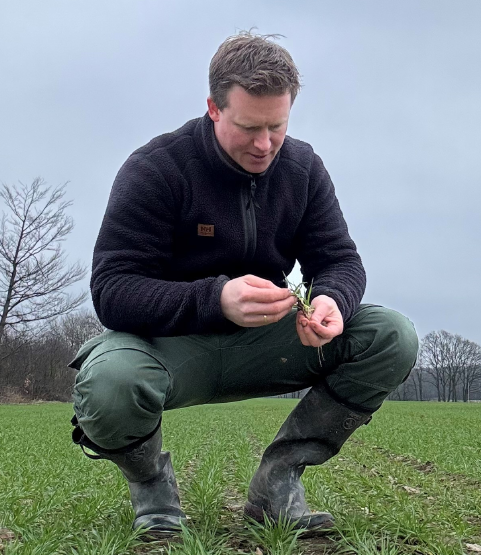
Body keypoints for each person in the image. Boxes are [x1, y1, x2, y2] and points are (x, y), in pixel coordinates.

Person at [69, 32, 419, 535]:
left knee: (391, 335)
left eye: (277, 126)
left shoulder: (302, 169)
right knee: (108, 382)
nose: (265, 144)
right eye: (249, 127)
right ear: (214, 108)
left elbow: (340, 259)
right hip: (167, 348)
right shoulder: (156, 168)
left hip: (269, 342)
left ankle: (278, 484)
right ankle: (153, 495)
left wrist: (330, 300)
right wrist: (216, 299)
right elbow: (112, 289)